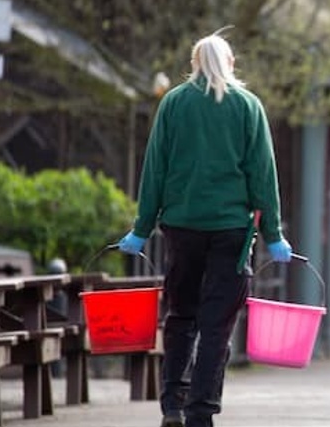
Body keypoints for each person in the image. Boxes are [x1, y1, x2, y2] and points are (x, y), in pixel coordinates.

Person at [117, 30, 293, 427]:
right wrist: (274, 235)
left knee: (181, 316)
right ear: (230, 64)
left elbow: (155, 170)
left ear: (194, 63)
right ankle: (201, 412)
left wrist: (142, 228)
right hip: (232, 232)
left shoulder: (174, 104)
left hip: (181, 229)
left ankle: (173, 405)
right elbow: (263, 175)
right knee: (216, 326)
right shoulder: (248, 107)